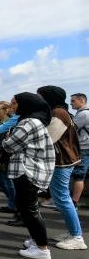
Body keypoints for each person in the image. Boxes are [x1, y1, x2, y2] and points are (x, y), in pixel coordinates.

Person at [2, 92, 55, 259]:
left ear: (25, 105)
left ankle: (42, 249)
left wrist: (7, 138)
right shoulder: (34, 121)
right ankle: (36, 240)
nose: (11, 106)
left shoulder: (28, 123)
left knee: (29, 209)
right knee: (28, 208)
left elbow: (10, 146)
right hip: (32, 169)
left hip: (28, 170)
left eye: (14, 103)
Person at [36, 85, 86, 250]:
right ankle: (73, 232)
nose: (38, 100)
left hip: (61, 161)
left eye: (40, 96)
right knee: (61, 198)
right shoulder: (59, 111)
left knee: (62, 199)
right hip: (62, 161)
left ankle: (77, 237)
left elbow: (48, 138)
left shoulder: (58, 113)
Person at [70, 92, 89, 208]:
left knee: (78, 176)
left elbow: (71, 130)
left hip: (83, 148)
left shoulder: (83, 114)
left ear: (81, 100)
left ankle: (73, 203)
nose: (71, 103)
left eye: (73, 101)